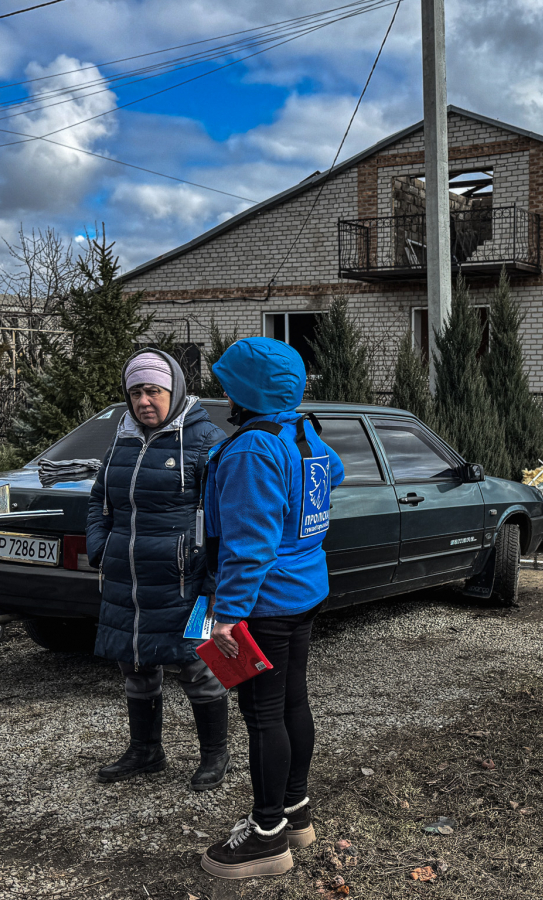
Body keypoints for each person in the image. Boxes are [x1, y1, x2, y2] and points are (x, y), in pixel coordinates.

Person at [198, 337, 343, 880]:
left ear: (246, 393)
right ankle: (296, 810)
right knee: (291, 704)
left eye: (228, 385)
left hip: (263, 601)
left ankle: (266, 837)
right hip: (303, 588)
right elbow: (334, 479)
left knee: (263, 716)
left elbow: (249, 543)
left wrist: (229, 613)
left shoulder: (253, 449)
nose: (224, 395)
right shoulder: (303, 433)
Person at [86, 350, 229, 790]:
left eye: (153, 391)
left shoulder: (207, 441)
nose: (144, 401)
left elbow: (224, 517)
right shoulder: (122, 441)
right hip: (128, 578)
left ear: (175, 391)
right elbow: (99, 501)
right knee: (134, 662)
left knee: (196, 666)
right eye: (135, 392)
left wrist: (214, 579)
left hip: (185, 579)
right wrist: (99, 546)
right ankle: (145, 751)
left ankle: (213, 755)